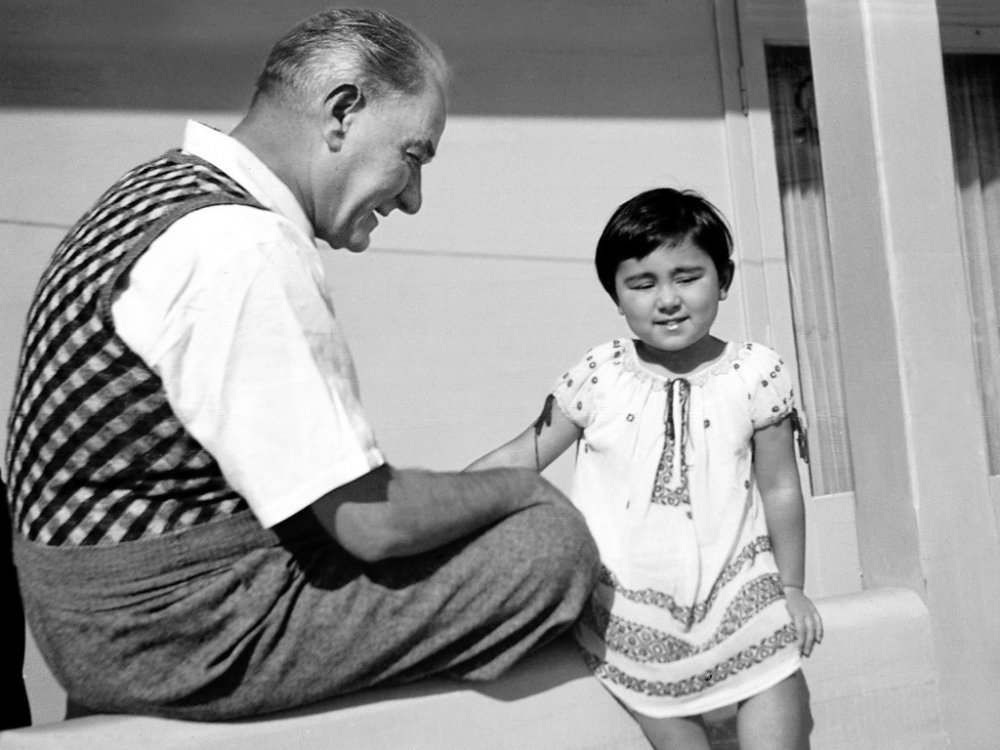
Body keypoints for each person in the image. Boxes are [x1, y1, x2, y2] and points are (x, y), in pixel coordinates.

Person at [4, 8, 599, 721]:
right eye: (413, 156)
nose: (413, 198)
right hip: (167, 629)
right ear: (343, 112)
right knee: (548, 544)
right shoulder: (240, 245)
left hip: (93, 613)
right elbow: (370, 523)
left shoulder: (159, 192)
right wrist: (521, 488)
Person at [467, 188, 823, 749]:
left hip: (743, 597)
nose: (668, 300)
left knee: (776, 690)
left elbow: (780, 487)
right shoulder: (601, 375)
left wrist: (793, 586)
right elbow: (523, 456)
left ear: (724, 279)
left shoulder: (756, 373)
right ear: (616, 295)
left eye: (687, 277)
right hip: (627, 612)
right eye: (642, 283)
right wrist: (436, 500)